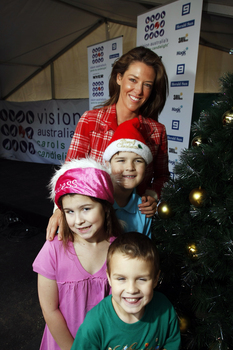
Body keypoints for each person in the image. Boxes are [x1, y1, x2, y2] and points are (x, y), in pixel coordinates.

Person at [46, 46, 170, 240]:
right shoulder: (91, 120)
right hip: (92, 226)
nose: (138, 90)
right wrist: (59, 210)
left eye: (147, 84)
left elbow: (163, 176)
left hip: (134, 226)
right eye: (133, 80)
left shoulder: (156, 131)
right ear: (119, 78)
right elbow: (68, 173)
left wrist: (153, 194)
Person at [32, 158, 123, 350]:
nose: (78, 220)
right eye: (69, 211)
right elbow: (49, 309)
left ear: (106, 207)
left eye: (86, 209)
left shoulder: (119, 249)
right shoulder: (53, 250)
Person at [71, 232, 181, 350]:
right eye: (121, 279)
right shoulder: (95, 324)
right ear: (109, 278)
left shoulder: (165, 310)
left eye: (142, 279)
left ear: (155, 279)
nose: (131, 290)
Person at [103, 117, 154, 237]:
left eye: (138, 161)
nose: (130, 167)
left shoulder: (144, 209)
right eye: (121, 160)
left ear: (146, 166)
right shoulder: (96, 202)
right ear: (108, 164)